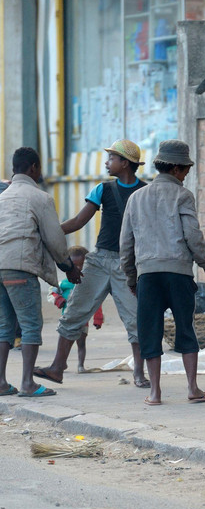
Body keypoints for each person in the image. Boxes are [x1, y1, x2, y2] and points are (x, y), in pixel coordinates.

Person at [34, 139, 149, 388]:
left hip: (128, 264)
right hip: (99, 260)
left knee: (136, 321)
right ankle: (57, 368)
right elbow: (77, 221)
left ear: (125, 163)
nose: (106, 163)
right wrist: (48, 234)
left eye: (111, 158)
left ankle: (139, 374)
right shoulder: (103, 189)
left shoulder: (145, 192)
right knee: (74, 312)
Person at [120, 140, 205, 406]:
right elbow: (193, 237)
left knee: (149, 331)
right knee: (186, 328)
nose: (186, 176)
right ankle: (192, 388)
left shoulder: (136, 198)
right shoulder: (182, 196)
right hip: (179, 274)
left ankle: (155, 392)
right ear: (176, 169)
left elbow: (126, 244)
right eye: (185, 170)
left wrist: (132, 277)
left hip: (148, 275)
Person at [0, 147, 82, 398]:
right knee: (30, 326)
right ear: (34, 167)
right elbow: (55, 239)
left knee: (4, 327)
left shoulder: (1, 197)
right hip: (20, 268)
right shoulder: (40, 198)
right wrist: (68, 268)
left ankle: (1, 383)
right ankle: (27, 384)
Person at [48, 246, 104, 373]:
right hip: (67, 319)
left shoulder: (89, 283)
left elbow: (96, 301)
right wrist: (58, 299)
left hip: (84, 320)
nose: (78, 268)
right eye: (74, 265)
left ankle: (80, 365)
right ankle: (61, 363)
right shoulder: (64, 283)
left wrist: (98, 318)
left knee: (81, 343)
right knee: (66, 342)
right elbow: (52, 293)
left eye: (82, 265)